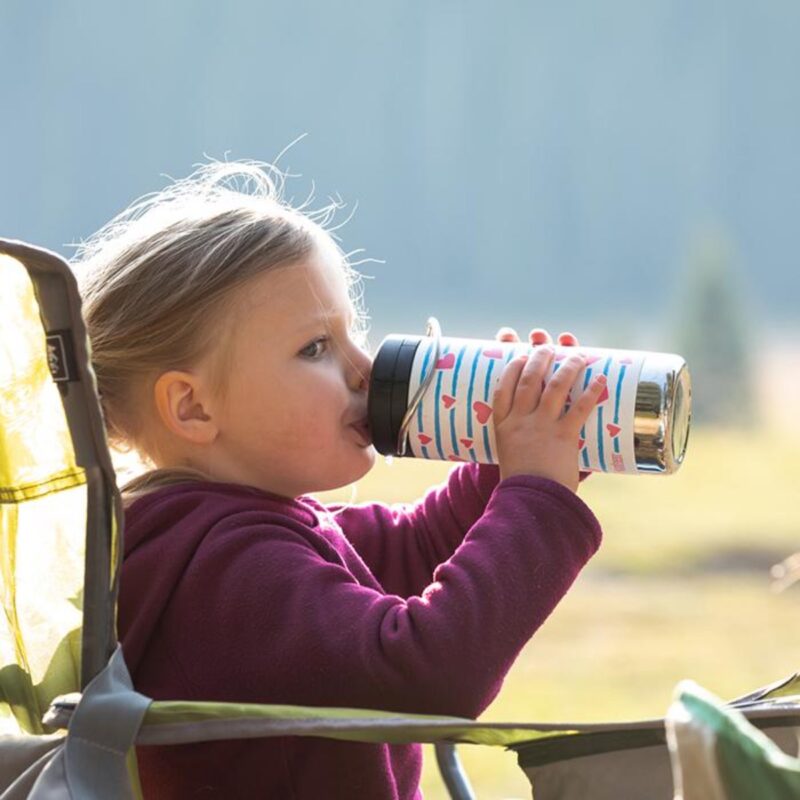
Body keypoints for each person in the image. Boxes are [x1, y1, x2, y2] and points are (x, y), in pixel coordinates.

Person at [73, 160, 606, 799]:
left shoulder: (230, 530)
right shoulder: (225, 569)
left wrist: (503, 462)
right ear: (193, 408)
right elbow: (429, 674)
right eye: (315, 349)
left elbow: (409, 553)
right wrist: (536, 498)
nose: (364, 368)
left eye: (351, 331)